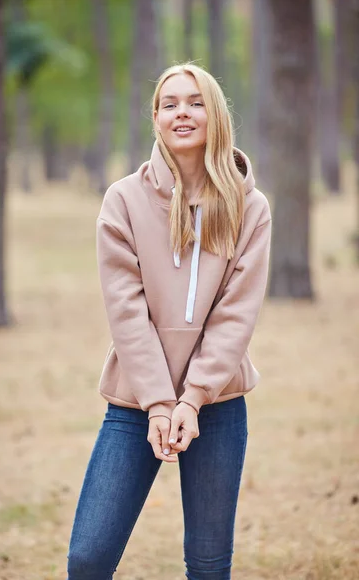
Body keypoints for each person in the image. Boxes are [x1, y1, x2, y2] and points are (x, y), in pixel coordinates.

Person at [67, 62, 272, 580]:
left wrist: (193, 397)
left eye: (195, 101)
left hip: (217, 403)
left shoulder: (249, 207)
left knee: (207, 566)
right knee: (88, 558)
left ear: (216, 116)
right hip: (137, 401)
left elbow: (235, 314)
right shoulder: (124, 201)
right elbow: (126, 311)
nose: (182, 112)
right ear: (155, 118)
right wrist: (160, 402)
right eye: (169, 103)